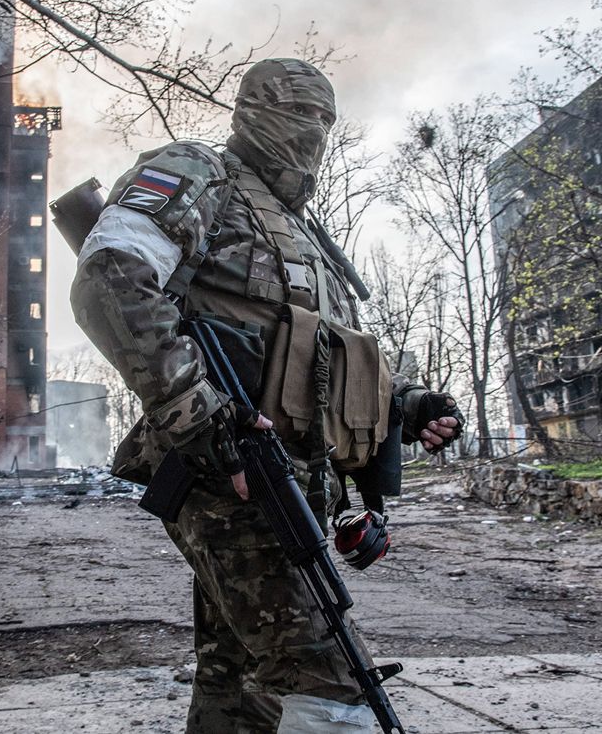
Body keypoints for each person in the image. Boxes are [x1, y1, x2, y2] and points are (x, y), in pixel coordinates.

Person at [70, 58, 462, 733]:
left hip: (294, 481)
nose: (311, 130)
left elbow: (323, 356)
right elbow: (110, 277)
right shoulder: (200, 173)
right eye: (297, 112)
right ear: (251, 109)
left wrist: (409, 401)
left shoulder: (303, 233)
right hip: (229, 473)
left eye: (324, 118)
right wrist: (202, 419)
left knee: (246, 686)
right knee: (331, 683)